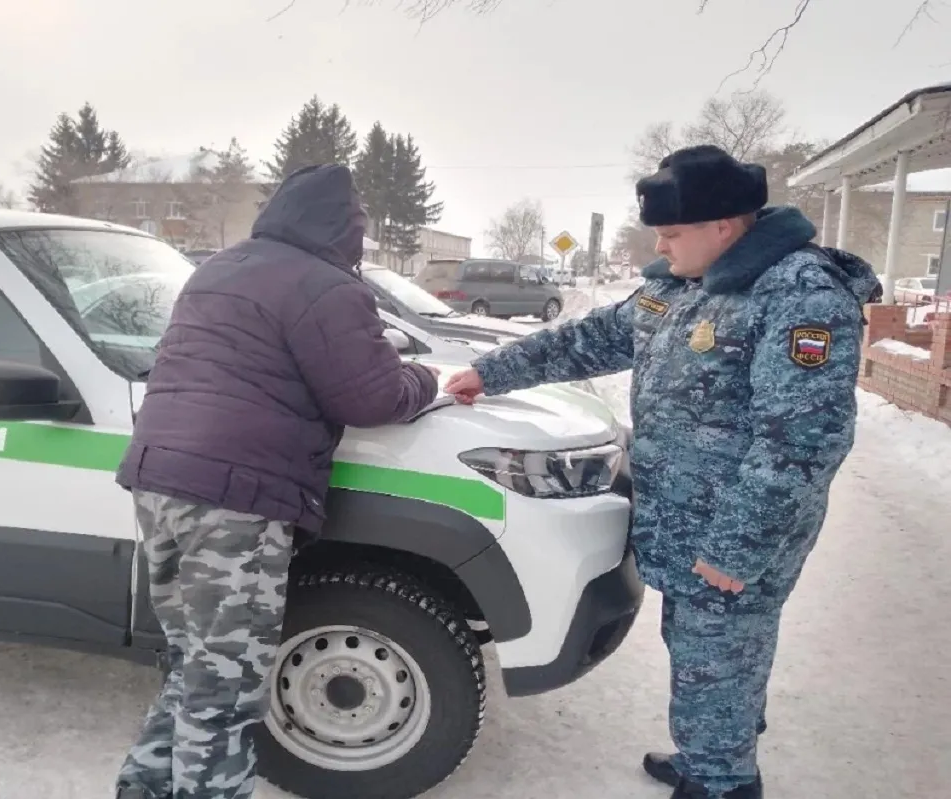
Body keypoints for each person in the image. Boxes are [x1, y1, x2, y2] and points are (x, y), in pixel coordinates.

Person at [444, 144, 882, 799]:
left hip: (737, 527)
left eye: (671, 232)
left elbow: (803, 438)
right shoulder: (678, 284)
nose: (660, 242)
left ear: (726, 227)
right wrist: (493, 372)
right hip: (686, 520)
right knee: (702, 645)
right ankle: (710, 750)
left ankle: (723, 781)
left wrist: (739, 543)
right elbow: (586, 340)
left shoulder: (797, 292)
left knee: (722, 649)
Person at [112, 163, 440, 799]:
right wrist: (426, 383)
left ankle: (143, 788)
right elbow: (371, 396)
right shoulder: (326, 287)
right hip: (234, 501)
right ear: (345, 227)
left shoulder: (219, 269)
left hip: (158, 481)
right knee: (227, 688)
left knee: (194, 665)